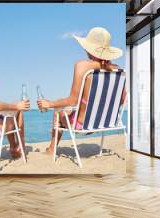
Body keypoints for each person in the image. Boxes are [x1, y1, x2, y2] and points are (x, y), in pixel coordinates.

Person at [37, 27, 125, 155]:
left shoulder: (82, 66)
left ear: (89, 49)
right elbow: (122, 100)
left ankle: (51, 149)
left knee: (58, 112)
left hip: (83, 124)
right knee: (68, 109)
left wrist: (49, 104)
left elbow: (72, 100)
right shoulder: (118, 70)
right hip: (106, 123)